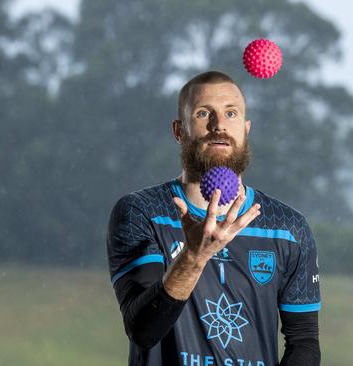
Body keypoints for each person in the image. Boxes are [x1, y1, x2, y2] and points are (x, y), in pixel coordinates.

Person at [107, 71, 321, 366]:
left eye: (230, 113)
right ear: (179, 130)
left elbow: (304, 343)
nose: (218, 125)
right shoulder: (141, 212)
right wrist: (194, 258)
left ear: (246, 129)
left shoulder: (287, 227)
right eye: (203, 113)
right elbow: (143, 330)